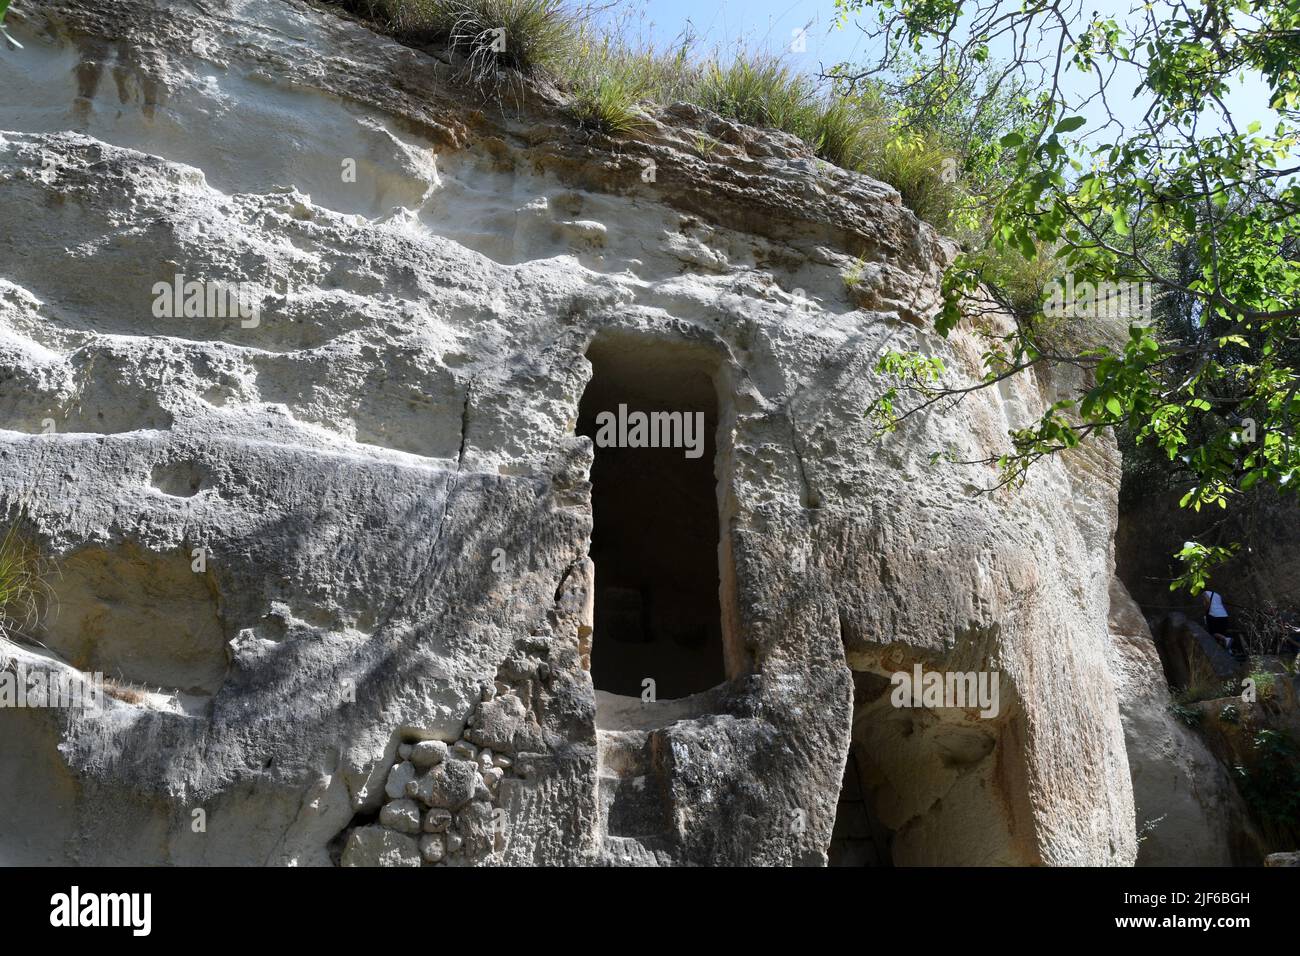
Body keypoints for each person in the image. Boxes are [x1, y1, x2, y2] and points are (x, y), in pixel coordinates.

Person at [1202, 587, 1236, 654]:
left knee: (1213, 633)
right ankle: (1229, 651)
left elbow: (1208, 601)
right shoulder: (1218, 595)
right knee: (1221, 633)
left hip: (1214, 615)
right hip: (1224, 615)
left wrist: (1206, 611)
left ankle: (1226, 639)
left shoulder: (1205, 593)